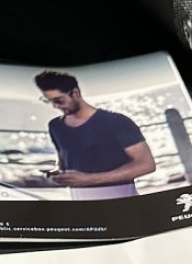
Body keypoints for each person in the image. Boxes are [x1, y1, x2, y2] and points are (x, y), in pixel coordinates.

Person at [34, 70, 156, 200]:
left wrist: (88, 180)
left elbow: (146, 165)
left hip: (121, 204)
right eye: (48, 101)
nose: (54, 106)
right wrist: (59, 173)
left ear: (75, 93)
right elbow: (64, 160)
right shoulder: (55, 126)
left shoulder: (116, 122)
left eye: (59, 100)